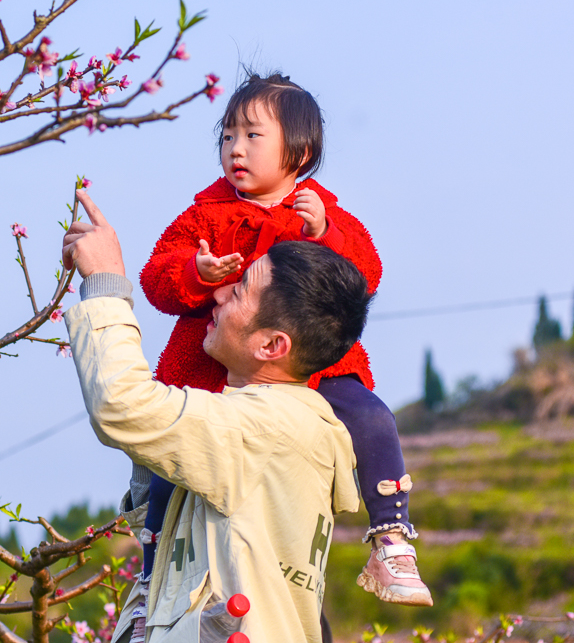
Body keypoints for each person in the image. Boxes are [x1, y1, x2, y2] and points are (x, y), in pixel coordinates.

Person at [137, 72, 431, 609]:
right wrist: (197, 272)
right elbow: (157, 276)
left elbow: (363, 278)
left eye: (252, 135)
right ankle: (150, 577)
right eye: (227, 136)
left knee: (371, 419)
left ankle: (391, 536)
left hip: (311, 369)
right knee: (171, 471)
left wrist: (326, 236)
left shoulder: (322, 213)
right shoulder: (205, 216)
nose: (235, 149)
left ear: (300, 151)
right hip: (213, 374)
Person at [61, 190, 368, 643]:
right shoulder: (292, 427)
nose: (219, 295)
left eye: (241, 290)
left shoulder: (262, 429)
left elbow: (121, 404)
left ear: (272, 345)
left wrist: (107, 281)